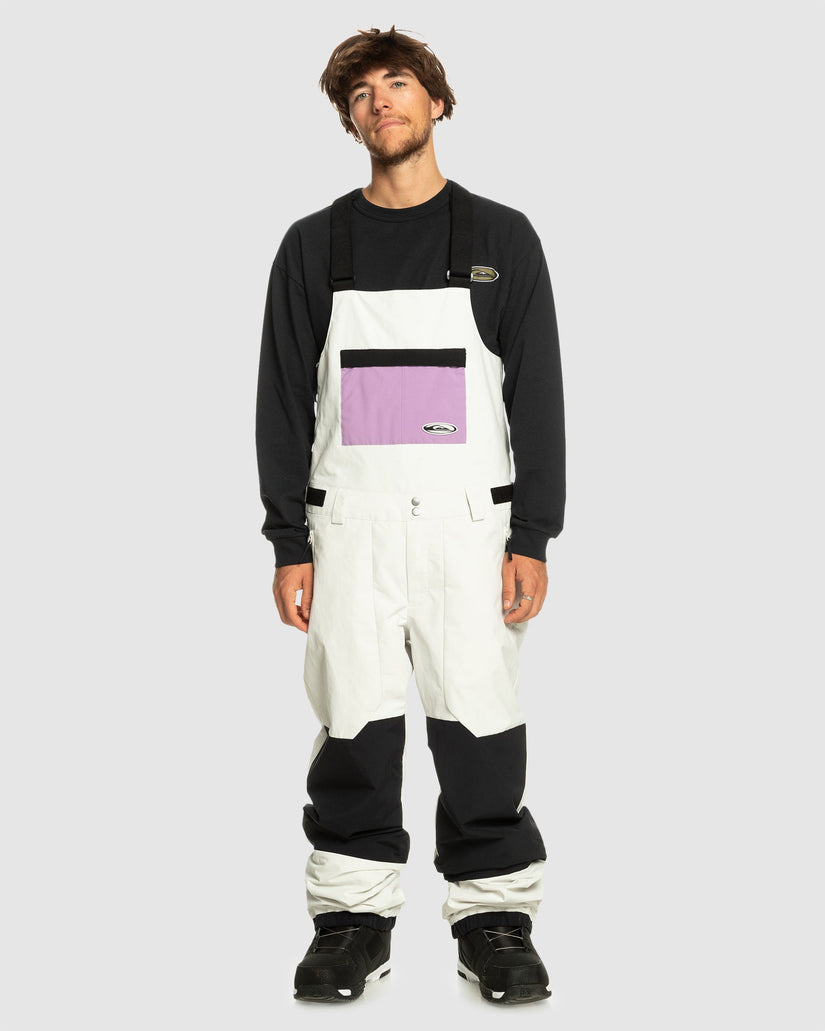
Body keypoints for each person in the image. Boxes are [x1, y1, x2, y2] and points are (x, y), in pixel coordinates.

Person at [255, 26, 565, 1005]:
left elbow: (537, 397)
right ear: (349, 121)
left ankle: (495, 919)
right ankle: (350, 919)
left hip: (470, 533)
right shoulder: (314, 246)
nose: (379, 101)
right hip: (348, 530)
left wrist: (533, 535)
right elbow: (281, 403)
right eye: (360, 93)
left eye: (397, 82)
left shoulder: (501, 238)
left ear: (436, 101)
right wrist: (288, 540)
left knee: (480, 718)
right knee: (353, 719)